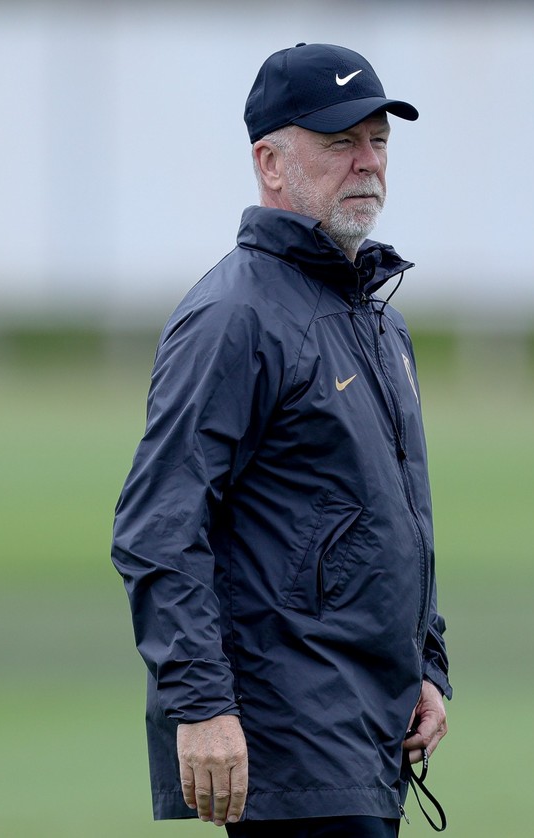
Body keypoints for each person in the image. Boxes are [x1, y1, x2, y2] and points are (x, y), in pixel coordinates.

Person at [112, 42, 451, 837]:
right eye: (340, 143)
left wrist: (426, 665)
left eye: (379, 140)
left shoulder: (378, 317)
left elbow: (396, 517)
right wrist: (199, 706)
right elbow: (158, 525)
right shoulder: (235, 315)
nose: (367, 162)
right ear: (269, 161)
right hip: (289, 733)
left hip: (370, 728)